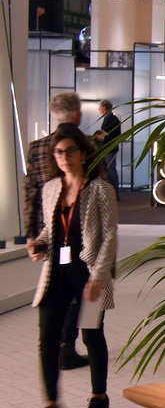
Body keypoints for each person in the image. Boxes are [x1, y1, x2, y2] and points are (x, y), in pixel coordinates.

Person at [28, 124, 118, 408]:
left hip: (88, 275)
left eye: (70, 151)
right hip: (56, 274)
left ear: (82, 153)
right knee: (48, 339)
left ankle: (99, 397)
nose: (64, 157)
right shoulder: (51, 188)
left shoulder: (100, 189)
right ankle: (51, 405)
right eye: (58, 152)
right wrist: (39, 243)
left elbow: (109, 236)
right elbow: (50, 229)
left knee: (91, 335)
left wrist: (98, 276)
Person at [24, 91, 90, 370]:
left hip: (49, 230)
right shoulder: (85, 145)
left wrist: (30, 233)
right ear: (77, 114)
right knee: (80, 287)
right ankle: (68, 345)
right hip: (79, 232)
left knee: (58, 284)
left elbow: (30, 191)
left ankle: (65, 344)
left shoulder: (36, 147)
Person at [92, 99, 122, 197]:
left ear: (104, 108)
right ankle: (112, 192)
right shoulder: (108, 118)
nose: (99, 109)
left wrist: (104, 137)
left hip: (110, 148)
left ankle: (114, 192)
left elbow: (116, 135)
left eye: (100, 107)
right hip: (107, 148)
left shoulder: (112, 119)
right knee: (109, 169)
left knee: (111, 170)